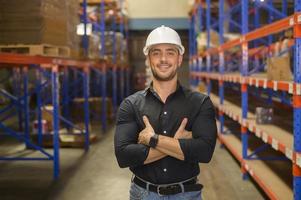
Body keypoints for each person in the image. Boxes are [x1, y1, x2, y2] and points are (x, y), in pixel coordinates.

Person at [114, 25, 217, 200]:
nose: (163, 59)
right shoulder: (130, 104)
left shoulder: (200, 103)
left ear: (179, 59)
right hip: (143, 194)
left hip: (187, 194)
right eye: (156, 53)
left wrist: (153, 140)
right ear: (148, 59)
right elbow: (124, 156)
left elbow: (204, 152)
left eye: (170, 52)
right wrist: (177, 144)